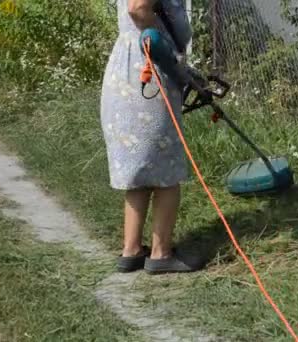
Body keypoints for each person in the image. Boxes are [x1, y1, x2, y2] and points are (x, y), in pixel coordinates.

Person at [100, 0, 203, 274]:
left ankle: (131, 251)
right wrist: (160, 48)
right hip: (148, 69)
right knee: (166, 171)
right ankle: (160, 254)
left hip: (128, 69)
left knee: (141, 167)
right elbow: (138, 8)